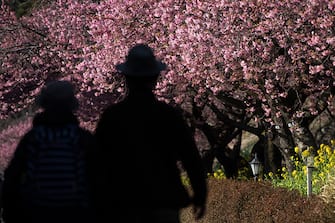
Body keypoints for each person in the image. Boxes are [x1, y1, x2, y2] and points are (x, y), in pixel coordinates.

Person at [94, 44, 207, 223]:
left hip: (124, 200)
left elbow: (96, 161)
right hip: (164, 198)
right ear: (155, 79)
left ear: (126, 78)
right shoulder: (168, 115)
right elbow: (190, 157)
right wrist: (200, 194)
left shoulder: (113, 116)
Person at [2, 80, 95, 223]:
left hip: (37, 212)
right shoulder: (81, 138)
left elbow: (13, 176)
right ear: (71, 106)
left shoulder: (33, 138)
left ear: (45, 105)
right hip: (75, 213)